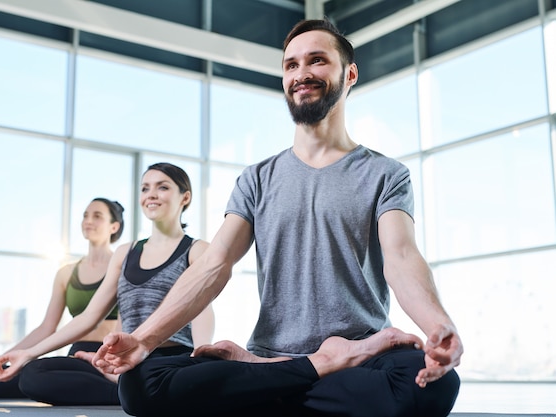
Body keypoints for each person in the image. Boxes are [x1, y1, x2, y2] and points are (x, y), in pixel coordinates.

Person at [91, 19, 463, 417]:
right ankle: (312, 367)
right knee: (140, 386)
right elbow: (214, 264)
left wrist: (439, 326)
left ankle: (266, 380)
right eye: (291, 65)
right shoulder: (256, 178)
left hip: (365, 349)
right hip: (275, 351)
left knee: (429, 388)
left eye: (317, 61)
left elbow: (402, 258)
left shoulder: (385, 174)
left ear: (349, 74)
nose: (301, 74)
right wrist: (144, 339)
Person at [0, 163, 215, 407]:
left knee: (165, 377)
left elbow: (201, 307)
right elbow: (89, 317)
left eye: (162, 187)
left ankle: (132, 387)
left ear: (185, 197)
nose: (151, 194)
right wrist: (29, 353)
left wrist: (198, 356)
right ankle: (126, 389)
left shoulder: (196, 250)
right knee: (34, 375)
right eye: (145, 188)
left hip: (169, 360)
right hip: (126, 362)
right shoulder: (125, 253)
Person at [0, 197, 125, 402]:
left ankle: (121, 392)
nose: (88, 220)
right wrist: (2, 358)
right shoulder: (66, 273)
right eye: (85, 215)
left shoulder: (122, 266)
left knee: (33, 378)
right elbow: (46, 327)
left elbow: (125, 324)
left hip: (105, 354)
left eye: (97, 216)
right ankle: (91, 389)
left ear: (114, 226)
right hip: (76, 355)